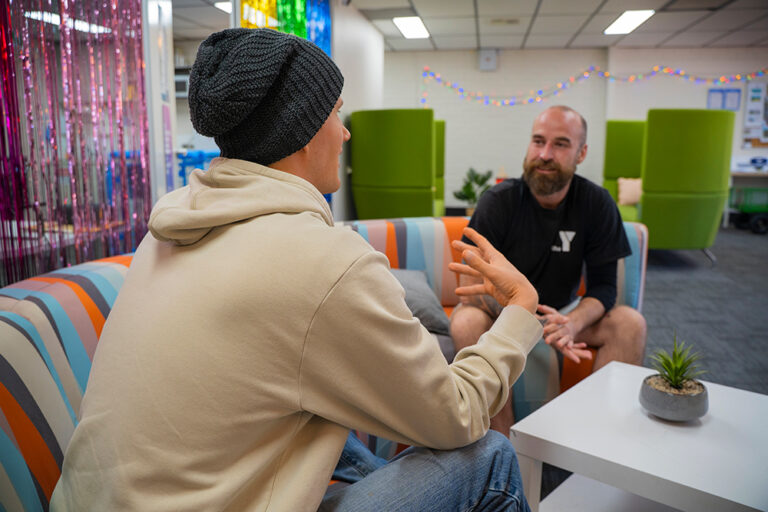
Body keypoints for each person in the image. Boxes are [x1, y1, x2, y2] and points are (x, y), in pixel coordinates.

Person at [51, 28, 544, 512]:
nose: (346, 131)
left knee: (332, 430)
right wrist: (521, 306)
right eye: (336, 113)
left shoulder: (162, 233)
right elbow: (456, 415)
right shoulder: (325, 261)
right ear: (305, 133)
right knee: (491, 457)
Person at [450, 105, 647, 435]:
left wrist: (572, 323)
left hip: (562, 315)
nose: (544, 154)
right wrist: (511, 311)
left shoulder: (597, 204)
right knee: (466, 321)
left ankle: (597, 446)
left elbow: (604, 289)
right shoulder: (498, 201)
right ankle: (502, 451)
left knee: (630, 324)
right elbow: (472, 286)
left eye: (560, 144)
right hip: (503, 316)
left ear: (581, 152)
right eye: (538, 141)